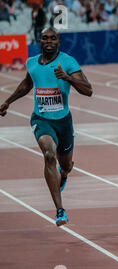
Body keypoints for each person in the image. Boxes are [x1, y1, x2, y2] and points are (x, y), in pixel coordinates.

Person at [0, 27, 93, 226]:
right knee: (49, 155)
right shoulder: (32, 62)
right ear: (39, 40)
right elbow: (27, 84)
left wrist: (67, 78)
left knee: (65, 164)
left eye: (53, 38)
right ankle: (60, 211)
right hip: (41, 119)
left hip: (63, 121)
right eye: (45, 38)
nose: (49, 41)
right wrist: (8, 101)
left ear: (59, 42)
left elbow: (88, 90)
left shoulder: (68, 62)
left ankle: (65, 172)